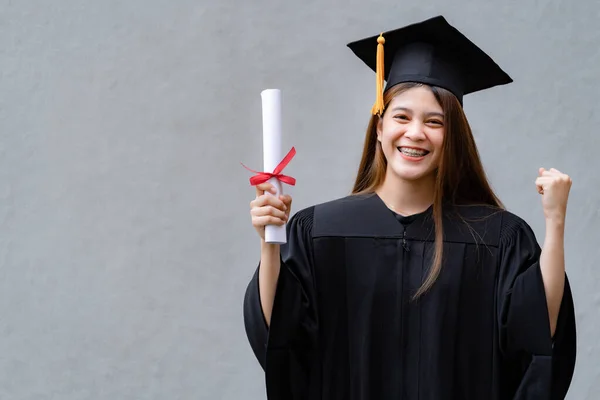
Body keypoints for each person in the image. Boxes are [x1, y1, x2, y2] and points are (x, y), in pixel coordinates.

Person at [243, 15, 576, 400]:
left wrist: (556, 222)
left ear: (453, 136)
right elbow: (280, 337)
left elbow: (537, 337)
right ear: (380, 126)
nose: (415, 133)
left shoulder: (498, 237)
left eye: (434, 122)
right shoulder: (318, 231)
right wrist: (271, 243)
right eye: (401, 116)